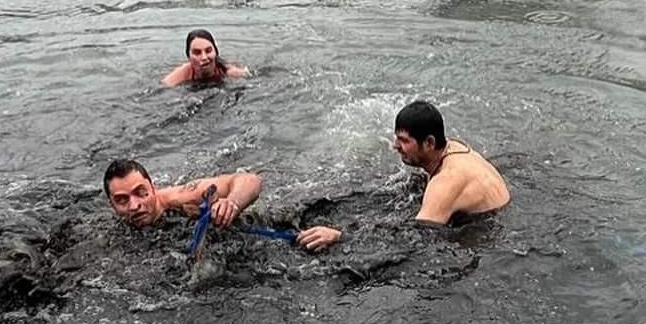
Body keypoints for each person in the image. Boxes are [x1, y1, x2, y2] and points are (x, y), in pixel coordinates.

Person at [297, 100, 510, 252]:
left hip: (487, 231)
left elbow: (411, 240)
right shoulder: (453, 147)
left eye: (404, 140)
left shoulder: (445, 183)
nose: (395, 146)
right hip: (499, 211)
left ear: (429, 143)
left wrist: (340, 237)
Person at [103, 158, 261, 230]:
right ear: (111, 205)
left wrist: (232, 202)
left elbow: (250, 180)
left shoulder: (183, 196)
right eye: (122, 200)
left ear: (153, 188)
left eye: (141, 192)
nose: (134, 206)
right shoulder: (111, 229)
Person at [161, 29, 248, 87]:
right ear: (189, 57)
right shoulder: (178, 77)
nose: (204, 57)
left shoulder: (231, 73)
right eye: (197, 53)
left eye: (208, 51)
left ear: (216, 52)